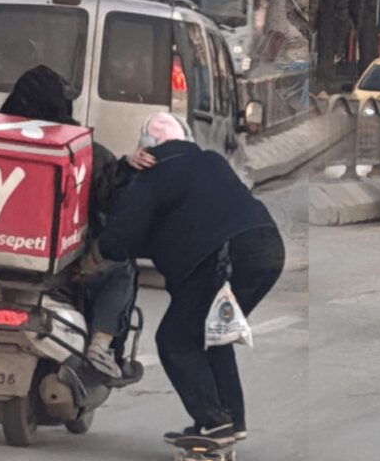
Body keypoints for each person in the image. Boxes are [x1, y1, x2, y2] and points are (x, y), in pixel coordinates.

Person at [97, 112, 285, 444]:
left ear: (147, 149)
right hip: (267, 249)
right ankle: (231, 419)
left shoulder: (153, 176)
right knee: (213, 331)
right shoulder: (212, 160)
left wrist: (127, 172)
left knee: (176, 340)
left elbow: (116, 242)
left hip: (220, 258)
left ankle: (213, 421)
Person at [0, 65, 137, 379]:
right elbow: (111, 203)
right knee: (120, 270)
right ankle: (102, 344)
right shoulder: (84, 151)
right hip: (59, 268)